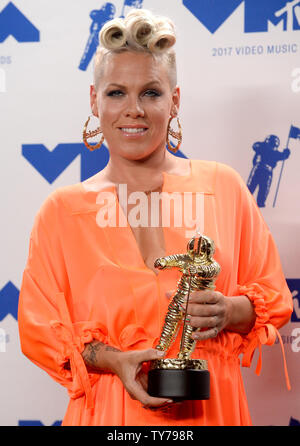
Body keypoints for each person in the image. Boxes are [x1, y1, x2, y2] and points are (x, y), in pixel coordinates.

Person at [18, 9, 293, 426]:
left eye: (150, 92)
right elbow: (40, 333)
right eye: (116, 93)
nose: (134, 110)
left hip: (209, 412)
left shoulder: (224, 188)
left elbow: (272, 301)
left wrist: (228, 310)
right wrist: (112, 359)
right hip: (112, 418)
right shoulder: (62, 211)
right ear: (94, 100)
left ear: (174, 100)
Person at [247, 135, 290, 207]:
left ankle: (256, 204)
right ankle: (255, 204)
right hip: (261, 170)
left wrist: (286, 153)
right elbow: (255, 146)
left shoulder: (263, 148)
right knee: (257, 190)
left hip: (261, 170)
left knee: (260, 190)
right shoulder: (264, 148)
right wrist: (286, 153)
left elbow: (255, 146)